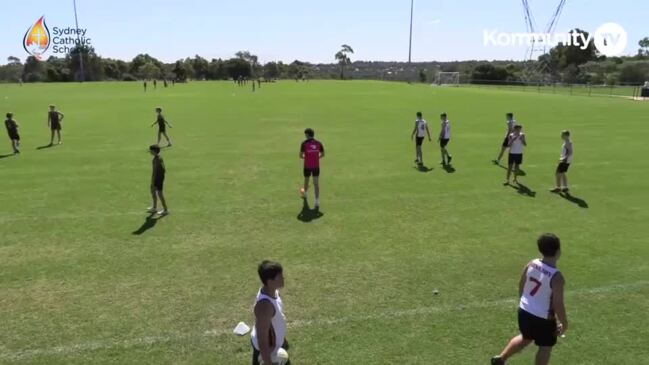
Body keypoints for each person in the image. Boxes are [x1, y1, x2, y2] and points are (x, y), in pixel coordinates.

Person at [491, 233, 568, 365]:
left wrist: (524, 302)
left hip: (524, 311)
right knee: (545, 347)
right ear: (558, 251)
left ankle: (501, 358)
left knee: (526, 337)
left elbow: (521, 283)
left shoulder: (532, 263)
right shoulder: (557, 277)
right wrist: (564, 324)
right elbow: (558, 304)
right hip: (544, 318)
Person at [251, 260, 290, 365]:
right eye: (280, 277)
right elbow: (262, 339)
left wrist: (282, 339)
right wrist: (268, 362)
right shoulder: (265, 307)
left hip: (275, 345)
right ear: (269, 281)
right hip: (268, 352)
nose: (283, 278)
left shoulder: (273, 291)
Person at [299, 128, 325, 209]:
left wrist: (306, 158)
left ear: (307, 134)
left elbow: (300, 155)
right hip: (316, 166)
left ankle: (305, 194)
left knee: (306, 179)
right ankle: (317, 201)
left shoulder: (304, 144)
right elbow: (323, 154)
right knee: (316, 183)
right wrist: (317, 158)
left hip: (307, 166)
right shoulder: (319, 143)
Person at [147, 144, 169, 216]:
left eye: (151, 151)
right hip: (159, 178)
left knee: (159, 194)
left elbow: (155, 171)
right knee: (153, 192)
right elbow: (164, 169)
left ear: (154, 151)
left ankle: (165, 210)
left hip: (157, 179)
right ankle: (154, 207)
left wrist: (153, 181)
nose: (150, 152)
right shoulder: (159, 158)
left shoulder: (157, 160)